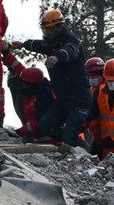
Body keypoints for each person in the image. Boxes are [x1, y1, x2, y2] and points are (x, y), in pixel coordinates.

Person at [10, 9, 90, 152]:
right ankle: (72, 145)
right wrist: (23, 44)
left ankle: (76, 147)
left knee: (69, 136)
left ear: (58, 27)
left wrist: (57, 57)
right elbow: (38, 45)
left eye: (49, 29)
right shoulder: (50, 43)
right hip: (63, 99)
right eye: (44, 29)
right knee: (45, 125)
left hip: (78, 100)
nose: (46, 33)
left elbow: (70, 51)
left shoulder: (72, 42)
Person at [12, 67, 56, 142]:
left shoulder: (44, 98)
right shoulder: (34, 96)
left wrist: (20, 131)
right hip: (40, 139)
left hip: (51, 140)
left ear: (31, 85)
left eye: (24, 84)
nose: (22, 87)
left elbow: (39, 120)